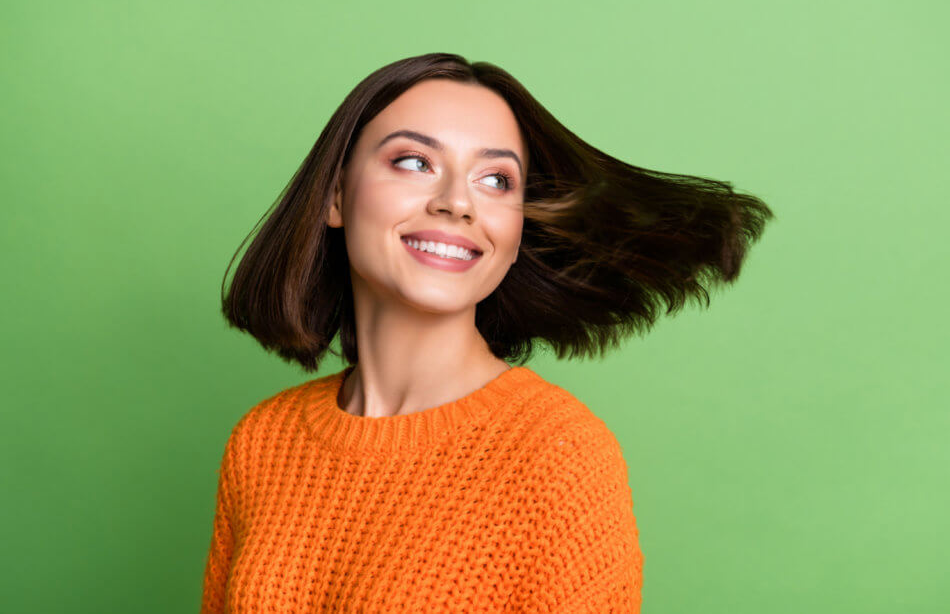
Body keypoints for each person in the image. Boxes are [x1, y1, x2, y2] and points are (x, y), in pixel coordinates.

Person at [202, 52, 773, 613]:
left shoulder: (557, 457)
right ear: (335, 196)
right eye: (414, 162)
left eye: (496, 179)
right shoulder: (262, 442)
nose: (456, 202)